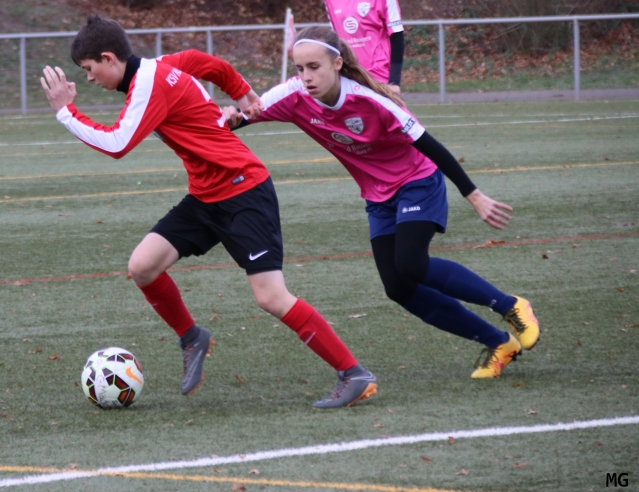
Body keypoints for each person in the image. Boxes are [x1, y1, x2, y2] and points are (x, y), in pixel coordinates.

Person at [39, 15, 378, 409]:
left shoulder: (148, 83)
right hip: (206, 196)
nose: (89, 78)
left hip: (244, 191)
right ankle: (192, 337)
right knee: (143, 266)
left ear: (109, 58)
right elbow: (207, 62)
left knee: (271, 297)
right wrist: (243, 93)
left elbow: (117, 143)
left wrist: (66, 111)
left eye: (89, 68)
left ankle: (353, 373)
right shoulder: (160, 66)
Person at [227, 26, 539, 379]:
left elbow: (430, 146)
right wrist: (230, 118)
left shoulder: (370, 100)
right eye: (300, 69)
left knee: (412, 263)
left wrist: (474, 195)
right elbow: (241, 117)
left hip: (417, 182)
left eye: (314, 67)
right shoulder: (292, 94)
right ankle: (499, 342)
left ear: (337, 63)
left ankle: (511, 306)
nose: (306, 76)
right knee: (398, 287)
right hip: (378, 195)